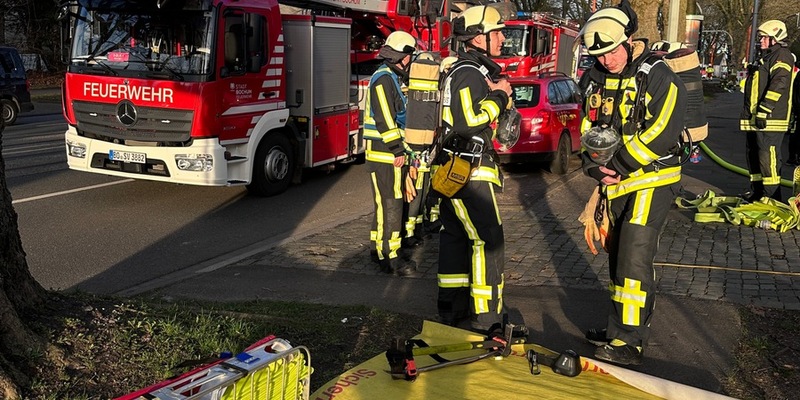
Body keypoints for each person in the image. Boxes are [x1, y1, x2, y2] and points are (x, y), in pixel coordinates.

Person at [577, 4, 687, 365]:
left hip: (653, 178)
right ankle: (618, 329)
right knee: (618, 257)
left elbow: (665, 127)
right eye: (598, 54)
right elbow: (587, 125)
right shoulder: (593, 77)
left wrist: (622, 163)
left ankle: (629, 341)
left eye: (611, 51)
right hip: (615, 183)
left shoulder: (655, 73)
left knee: (634, 257)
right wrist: (592, 165)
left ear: (628, 40)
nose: (606, 60)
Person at [434, 4, 512, 332]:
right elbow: (467, 122)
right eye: (498, 32)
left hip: (453, 169)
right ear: (479, 39)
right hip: (470, 172)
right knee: (488, 240)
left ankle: (452, 308)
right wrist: (500, 98)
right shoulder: (469, 73)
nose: (503, 38)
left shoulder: (460, 70)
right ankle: (488, 318)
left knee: (454, 236)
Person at [363, 31, 419, 276]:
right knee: (392, 204)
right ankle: (392, 257)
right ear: (403, 57)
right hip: (387, 153)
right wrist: (398, 149)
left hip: (382, 153)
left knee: (382, 205)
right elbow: (385, 119)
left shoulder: (389, 77)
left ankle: (378, 250)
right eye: (410, 56)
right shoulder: (385, 80)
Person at [740, 20, 794, 201]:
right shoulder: (766, 57)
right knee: (754, 155)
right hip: (754, 116)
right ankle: (757, 192)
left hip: (770, 118)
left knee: (767, 156)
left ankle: (773, 197)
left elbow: (779, 83)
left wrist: (764, 110)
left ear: (775, 38)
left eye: (765, 37)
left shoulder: (782, 56)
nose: (761, 41)